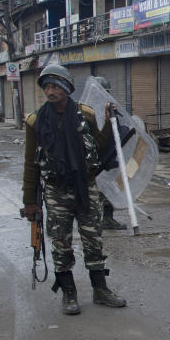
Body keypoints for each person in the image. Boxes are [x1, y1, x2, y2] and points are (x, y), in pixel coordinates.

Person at [21, 65, 126, 315]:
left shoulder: (85, 114)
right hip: (56, 191)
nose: (50, 91)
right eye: (46, 87)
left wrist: (108, 122)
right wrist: (29, 201)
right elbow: (30, 163)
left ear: (67, 88)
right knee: (61, 242)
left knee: (93, 239)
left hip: (85, 187)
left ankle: (100, 290)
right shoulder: (35, 121)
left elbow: (99, 147)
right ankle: (69, 292)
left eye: (55, 86)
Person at [92, 76, 126, 230]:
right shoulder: (91, 111)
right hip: (100, 157)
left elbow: (118, 129)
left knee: (108, 188)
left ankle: (105, 218)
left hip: (110, 156)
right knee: (102, 190)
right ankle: (103, 219)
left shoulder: (109, 108)